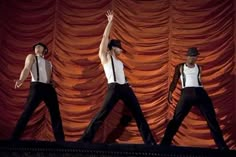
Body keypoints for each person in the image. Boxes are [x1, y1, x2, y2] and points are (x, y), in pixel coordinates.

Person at [78, 10, 156, 145]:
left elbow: (121, 75)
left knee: (138, 114)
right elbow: (104, 38)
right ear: (113, 48)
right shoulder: (105, 57)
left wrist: (127, 83)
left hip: (125, 88)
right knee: (102, 114)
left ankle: (150, 143)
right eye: (119, 48)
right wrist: (110, 22)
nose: (121, 50)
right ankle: (85, 139)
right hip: (113, 87)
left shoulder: (119, 62)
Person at [160, 47, 228, 150]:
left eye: (195, 56)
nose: (193, 59)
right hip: (187, 93)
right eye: (191, 56)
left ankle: (222, 147)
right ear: (187, 57)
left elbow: (199, 81)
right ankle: (164, 145)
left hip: (200, 93)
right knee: (176, 119)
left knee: (212, 119)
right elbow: (174, 80)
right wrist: (170, 92)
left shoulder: (199, 67)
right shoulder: (180, 67)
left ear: (196, 58)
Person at [12, 42, 64, 142]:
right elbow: (26, 68)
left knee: (55, 114)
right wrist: (21, 79)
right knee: (27, 112)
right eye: (35, 47)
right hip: (37, 86)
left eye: (39, 46)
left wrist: (53, 84)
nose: (36, 47)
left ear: (44, 50)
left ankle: (61, 141)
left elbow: (48, 78)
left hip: (48, 88)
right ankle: (14, 138)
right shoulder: (31, 57)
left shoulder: (49, 63)